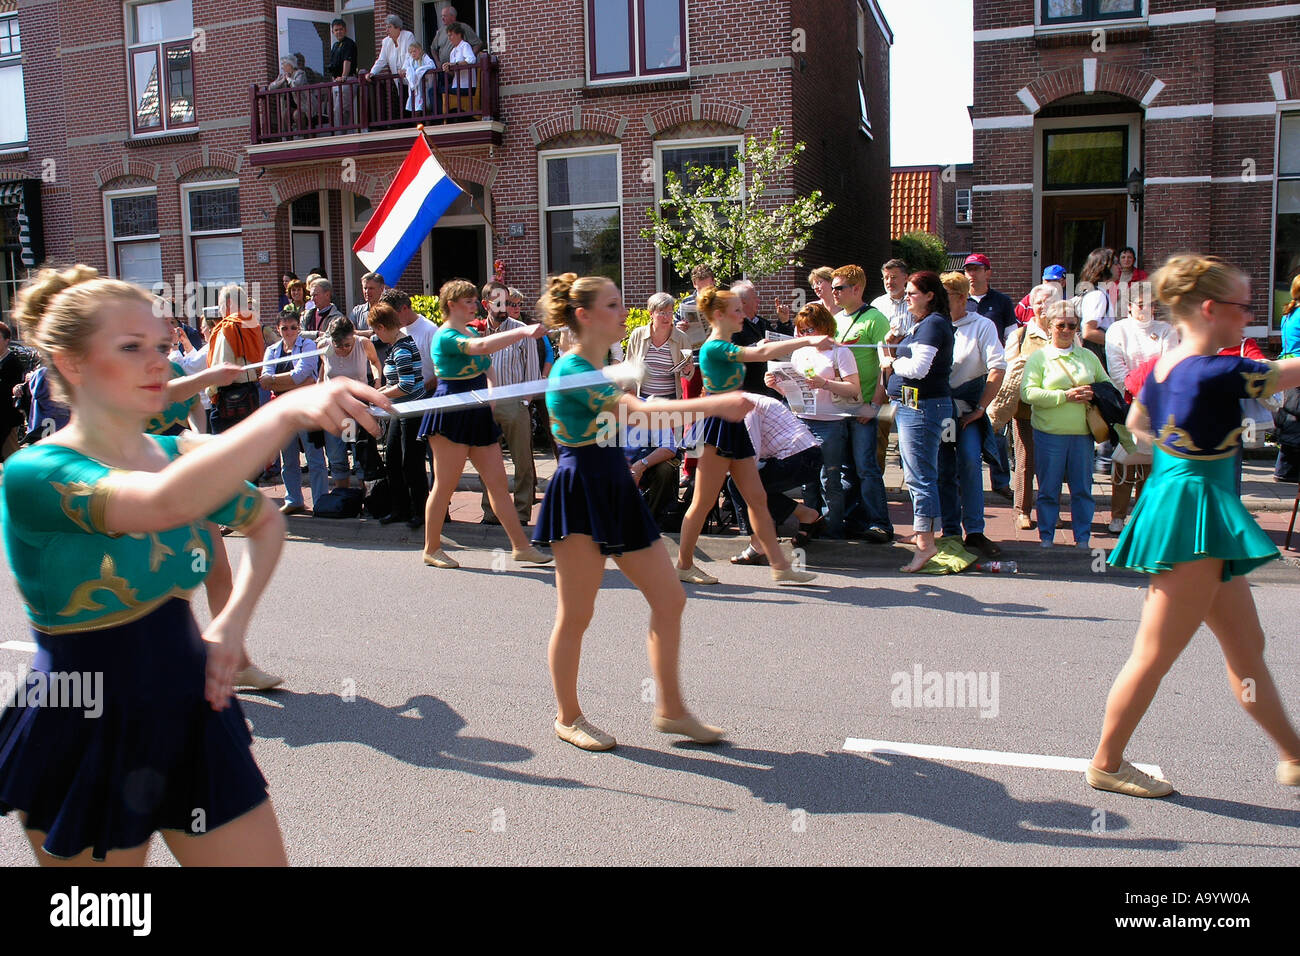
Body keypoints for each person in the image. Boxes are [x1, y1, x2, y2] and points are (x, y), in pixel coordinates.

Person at [0, 264, 391, 865]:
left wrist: (232, 622)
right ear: (72, 363)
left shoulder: (174, 452)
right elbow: (163, 504)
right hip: (84, 722)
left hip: (192, 705)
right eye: (132, 348)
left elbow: (264, 520)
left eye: (161, 346)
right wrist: (284, 413)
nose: (159, 362)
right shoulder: (34, 473)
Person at [1092, 254, 1300, 798]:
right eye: (1242, 306)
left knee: (1247, 645)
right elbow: (1285, 372)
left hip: (1187, 502)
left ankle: (1294, 755)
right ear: (1211, 309)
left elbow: (1137, 427)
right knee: (1154, 653)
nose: (1248, 317)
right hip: (1195, 513)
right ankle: (1108, 763)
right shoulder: (1214, 371)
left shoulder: (1165, 368)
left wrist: (1180, 450)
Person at [531, 273, 753, 751]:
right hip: (581, 490)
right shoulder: (571, 369)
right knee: (576, 614)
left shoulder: (602, 365)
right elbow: (636, 412)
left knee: (670, 597)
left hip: (616, 483)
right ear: (585, 316)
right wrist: (718, 403)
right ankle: (568, 717)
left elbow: (637, 406)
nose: (623, 311)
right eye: (612, 304)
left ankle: (670, 709)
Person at [674, 286, 825, 585]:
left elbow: (759, 349)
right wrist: (807, 340)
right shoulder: (715, 347)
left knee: (756, 499)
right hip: (718, 427)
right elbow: (761, 353)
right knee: (703, 502)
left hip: (733, 426)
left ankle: (780, 566)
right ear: (719, 315)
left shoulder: (725, 343)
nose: (743, 315)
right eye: (737, 310)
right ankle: (684, 565)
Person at [419, 279, 552, 568]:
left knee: (498, 485)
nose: (473, 305)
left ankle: (521, 546)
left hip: (477, 411)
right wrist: (523, 332)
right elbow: (479, 348)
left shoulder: (466, 330)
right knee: (444, 485)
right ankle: (431, 548)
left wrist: (492, 395)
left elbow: (487, 365)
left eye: (473, 300)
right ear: (451, 304)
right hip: (452, 411)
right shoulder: (445, 335)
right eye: (467, 301)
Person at [882, 271, 956, 572]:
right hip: (917, 405)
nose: (907, 298)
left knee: (919, 476)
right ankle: (924, 531)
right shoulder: (924, 325)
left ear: (929, 295)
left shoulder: (933, 324)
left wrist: (892, 361)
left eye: (912, 293)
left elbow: (919, 368)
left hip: (922, 406)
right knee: (919, 473)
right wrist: (892, 345)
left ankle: (926, 544)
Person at [1020, 300, 1106, 549]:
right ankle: (1046, 537)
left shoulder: (1088, 356)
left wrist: (1093, 392)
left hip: (1082, 435)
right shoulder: (1039, 358)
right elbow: (1028, 394)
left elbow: (1107, 386)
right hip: (1049, 434)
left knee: (1083, 490)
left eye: (1072, 325)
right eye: (1061, 325)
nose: (1067, 330)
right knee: (1048, 489)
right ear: (1049, 326)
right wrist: (1064, 396)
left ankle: (1083, 538)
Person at [937, 271, 1007, 558]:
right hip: (941, 411)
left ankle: (975, 532)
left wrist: (981, 408)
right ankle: (950, 531)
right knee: (944, 469)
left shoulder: (982, 325)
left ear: (963, 297)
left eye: (946, 297)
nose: (940, 303)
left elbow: (998, 367)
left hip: (967, 413)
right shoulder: (933, 324)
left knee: (968, 463)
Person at [780, 302, 860, 538]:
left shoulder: (840, 352)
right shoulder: (799, 352)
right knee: (807, 479)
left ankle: (833, 530)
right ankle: (810, 525)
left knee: (830, 478)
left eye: (810, 329)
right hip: (802, 419)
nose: (805, 335)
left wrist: (825, 383)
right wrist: (777, 386)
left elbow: (853, 388)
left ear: (824, 327)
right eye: (802, 330)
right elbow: (794, 392)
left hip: (830, 422)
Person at [1104, 281, 1179, 532]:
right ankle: (1117, 515)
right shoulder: (1117, 330)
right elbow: (1117, 371)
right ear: (1129, 306)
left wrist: (1150, 393)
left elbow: (1168, 365)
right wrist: (1138, 390)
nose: (1147, 309)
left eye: (1152, 305)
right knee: (1124, 459)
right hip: (1127, 403)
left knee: (1150, 462)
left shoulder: (1167, 330)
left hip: (1158, 405)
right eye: (1141, 304)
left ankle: (1144, 514)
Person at [727, 392, 828, 565]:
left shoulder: (747, 408)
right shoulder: (749, 401)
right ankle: (806, 514)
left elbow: (750, 454)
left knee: (738, 483)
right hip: (806, 456)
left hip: (798, 457)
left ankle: (757, 543)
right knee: (754, 487)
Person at [831, 264, 892, 543]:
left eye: (839, 287)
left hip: (864, 405)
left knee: (867, 467)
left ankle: (880, 523)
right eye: (833, 288)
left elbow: (886, 365)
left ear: (857, 289)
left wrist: (876, 402)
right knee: (847, 467)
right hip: (840, 407)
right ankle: (854, 521)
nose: (834, 292)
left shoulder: (875, 320)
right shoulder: (836, 320)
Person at [477, 280, 540, 526]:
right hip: (484, 405)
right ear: (486, 304)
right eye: (498, 302)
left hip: (514, 403)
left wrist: (525, 401)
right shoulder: (475, 331)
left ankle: (522, 513)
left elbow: (532, 371)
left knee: (522, 461)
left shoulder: (522, 330)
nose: (504, 306)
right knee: (487, 463)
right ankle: (491, 513)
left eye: (507, 301)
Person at [1001, 282, 1060, 530]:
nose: (1043, 306)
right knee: (1025, 460)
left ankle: (1051, 511)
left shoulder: (1065, 332)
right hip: (1026, 408)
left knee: (1053, 463)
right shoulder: (1019, 335)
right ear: (1031, 305)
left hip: (1057, 409)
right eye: (1039, 301)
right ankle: (1022, 510)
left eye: (1048, 301)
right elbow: (1011, 369)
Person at [259, 312, 329, 516]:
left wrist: (277, 381)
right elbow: (264, 379)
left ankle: (320, 502)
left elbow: (301, 376)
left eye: (293, 327)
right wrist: (292, 382)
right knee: (288, 458)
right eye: (284, 328)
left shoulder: (308, 346)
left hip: (306, 408)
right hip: (283, 411)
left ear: (299, 328)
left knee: (314, 457)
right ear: (278, 330)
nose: (289, 332)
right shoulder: (272, 350)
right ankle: (294, 500)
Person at [368, 302, 429, 528]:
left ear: (383, 327)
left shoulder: (402, 348)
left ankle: (421, 512)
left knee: (411, 464)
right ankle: (400, 509)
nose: (375, 335)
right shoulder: (397, 345)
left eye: (375, 330)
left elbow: (405, 385)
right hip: (399, 410)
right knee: (393, 460)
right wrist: (376, 393)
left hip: (412, 411)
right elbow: (395, 383)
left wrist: (378, 397)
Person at [963, 253, 1014, 498]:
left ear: (988, 272)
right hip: (968, 375)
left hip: (994, 373)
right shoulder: (961, 302)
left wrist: (1008, 367)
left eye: (977, 269)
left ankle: (1000, 479)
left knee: (996, 427)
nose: (972, 274)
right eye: (968, 270)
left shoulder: (1002, 301)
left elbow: (1013, 337)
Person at [318, 316, 381, 490]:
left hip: (355, 406)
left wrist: (377, 381)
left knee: (359, 453)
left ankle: (365, 496)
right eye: (339, 346)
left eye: (348, 345)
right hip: (333, 407)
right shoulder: (324, 346)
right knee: (336, 456)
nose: (344, 349)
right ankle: (342, 498)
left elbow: (374, 361)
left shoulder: (362, 344)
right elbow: (324, 368)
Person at [206, 284, 264, 434]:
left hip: (229, 401)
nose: (219, 310)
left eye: (220, 305)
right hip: (251, 393)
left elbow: (221, 367)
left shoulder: (228, 327)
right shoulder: (254, 325)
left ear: (229, 303)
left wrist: (210, 391)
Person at [621, 400, 683, 526]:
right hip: (618, 464)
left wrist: (641, 465)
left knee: (665, 469)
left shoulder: (652, 411)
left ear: (631, 394)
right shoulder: (602, 411)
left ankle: (650, 518)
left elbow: (669, 448)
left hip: (646, 463)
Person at [625, 292, 691, 399]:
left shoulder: (682, 338)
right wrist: (628, 393)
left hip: (671, 399)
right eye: (662, 313)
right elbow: (628, 366)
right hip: (643, 399)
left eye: (670, 312)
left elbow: (688, 373)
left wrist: (687, 371)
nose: (667, 317)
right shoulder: (638, 335)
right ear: (651, 313)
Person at [729, 279, 781, 399]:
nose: (758, 300)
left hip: (770, 390)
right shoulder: (732, 327)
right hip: (749, 392)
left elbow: (782, 346)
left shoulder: (762, 323)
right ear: (743, 303)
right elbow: (732, 354)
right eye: (754, 297)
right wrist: (757, 347)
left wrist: (784, 323)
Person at [1274, 276, 1300, 481]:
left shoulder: (1289, 313)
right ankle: (1285, 470)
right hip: (1297, 369)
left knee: (1292, 416)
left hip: (1288, 368)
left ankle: (1284, 469)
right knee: (1295, 419)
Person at [0, 321, 27, 459]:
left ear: (7, 341)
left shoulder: (12, 362)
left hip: (8, 417)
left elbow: (10, 390)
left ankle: (20, 478)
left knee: (12, 455)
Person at [327, 18, 357, 129]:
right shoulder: (335, 46)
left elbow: (347, 60)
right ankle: (340, 131)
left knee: (341, 109)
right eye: (336, 30)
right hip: (336, 81)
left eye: (341, 29)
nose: (338, 32)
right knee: (336, 110)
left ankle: (343, 133)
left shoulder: (349, 44)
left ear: (345, 30)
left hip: (346, 80)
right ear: (332, 32)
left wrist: (344, 76)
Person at [874, 258, 911, 343]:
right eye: (886, 278)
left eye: (893, 277)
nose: (889, 282)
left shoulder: (915, 302)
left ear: (905, 278)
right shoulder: (877, 304)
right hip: (884, 354)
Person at [442, 24, 477, 110]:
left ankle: (442, 118)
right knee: (435, 90)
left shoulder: (465, 45)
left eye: (451, 35)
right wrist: (447, 69)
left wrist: (456, 64)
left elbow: (471, 59)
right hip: (457, 86)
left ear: (459, 34)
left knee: (437, 90)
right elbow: (454, 74)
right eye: (448, 36)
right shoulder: (453, 51)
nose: (449, 38)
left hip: (467, 86)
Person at [405, 40, 438, 112]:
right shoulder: (411, 61)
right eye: (411, 52)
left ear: (419, 50)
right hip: (416, 87)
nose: (413, 54)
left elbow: (431, 65)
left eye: (414, 51)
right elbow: (406, 68)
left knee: (426, 102)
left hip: (425, 85)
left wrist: (420, 70)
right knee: (415, 104)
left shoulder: (424, 57)